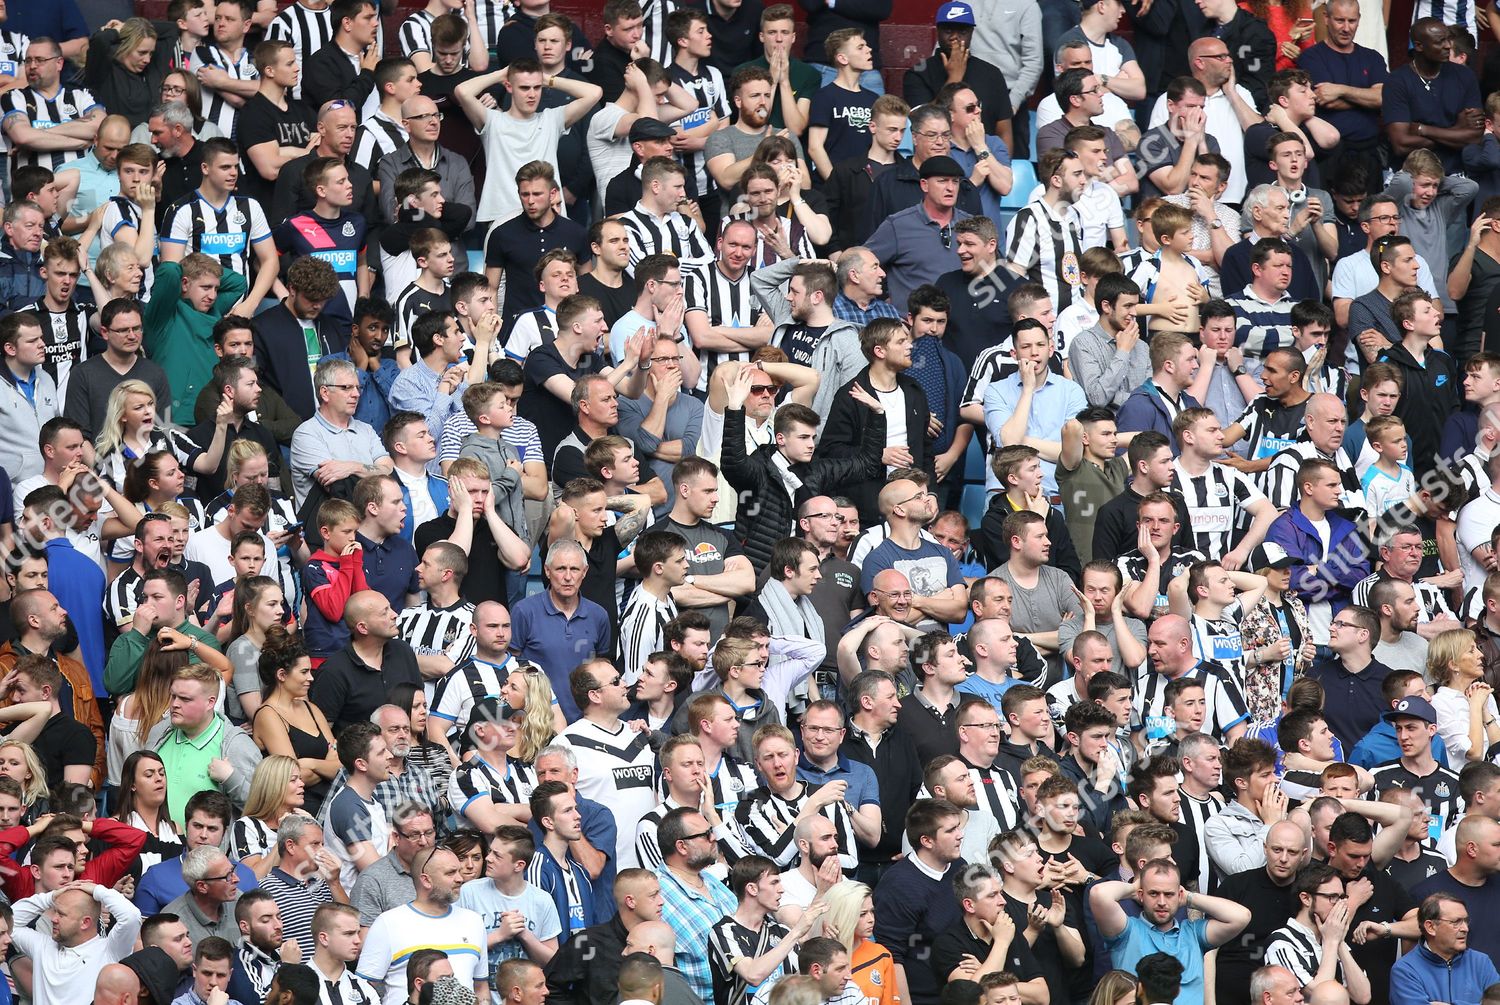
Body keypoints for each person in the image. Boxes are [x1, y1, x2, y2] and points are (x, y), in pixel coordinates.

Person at [1091, 857, 1251, 1005]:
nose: (1161, 902)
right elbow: (1099, 895)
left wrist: (1189, 897)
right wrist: (1133, 888)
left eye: (1168, 894)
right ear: (1141, 895)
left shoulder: (1194, 933)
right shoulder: (1127, 932)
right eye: (1153, 893)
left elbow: (1241, 916)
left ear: (1179, 895)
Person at [359, 847, 488, 1005]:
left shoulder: (473, 921)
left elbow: (481, 986)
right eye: (450, 873)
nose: (460, 878)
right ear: (426, 880)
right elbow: (365, 989)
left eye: (459, 872)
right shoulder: (388, 923)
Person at [12, 879, 145, 1005]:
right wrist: (50, 897)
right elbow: (9, 922)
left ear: (85, 922)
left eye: (61, 914)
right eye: (55, 911)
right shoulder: (43, 946)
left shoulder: (110, 950)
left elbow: (131, 917)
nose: (53, 919)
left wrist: (98, 890)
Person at [1389, 892, 1498, 1005]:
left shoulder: (1480, 962)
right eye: (1456, 922)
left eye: (1466, 921)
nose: (1465, 929)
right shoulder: (1405, 970)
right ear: (1431, 927)